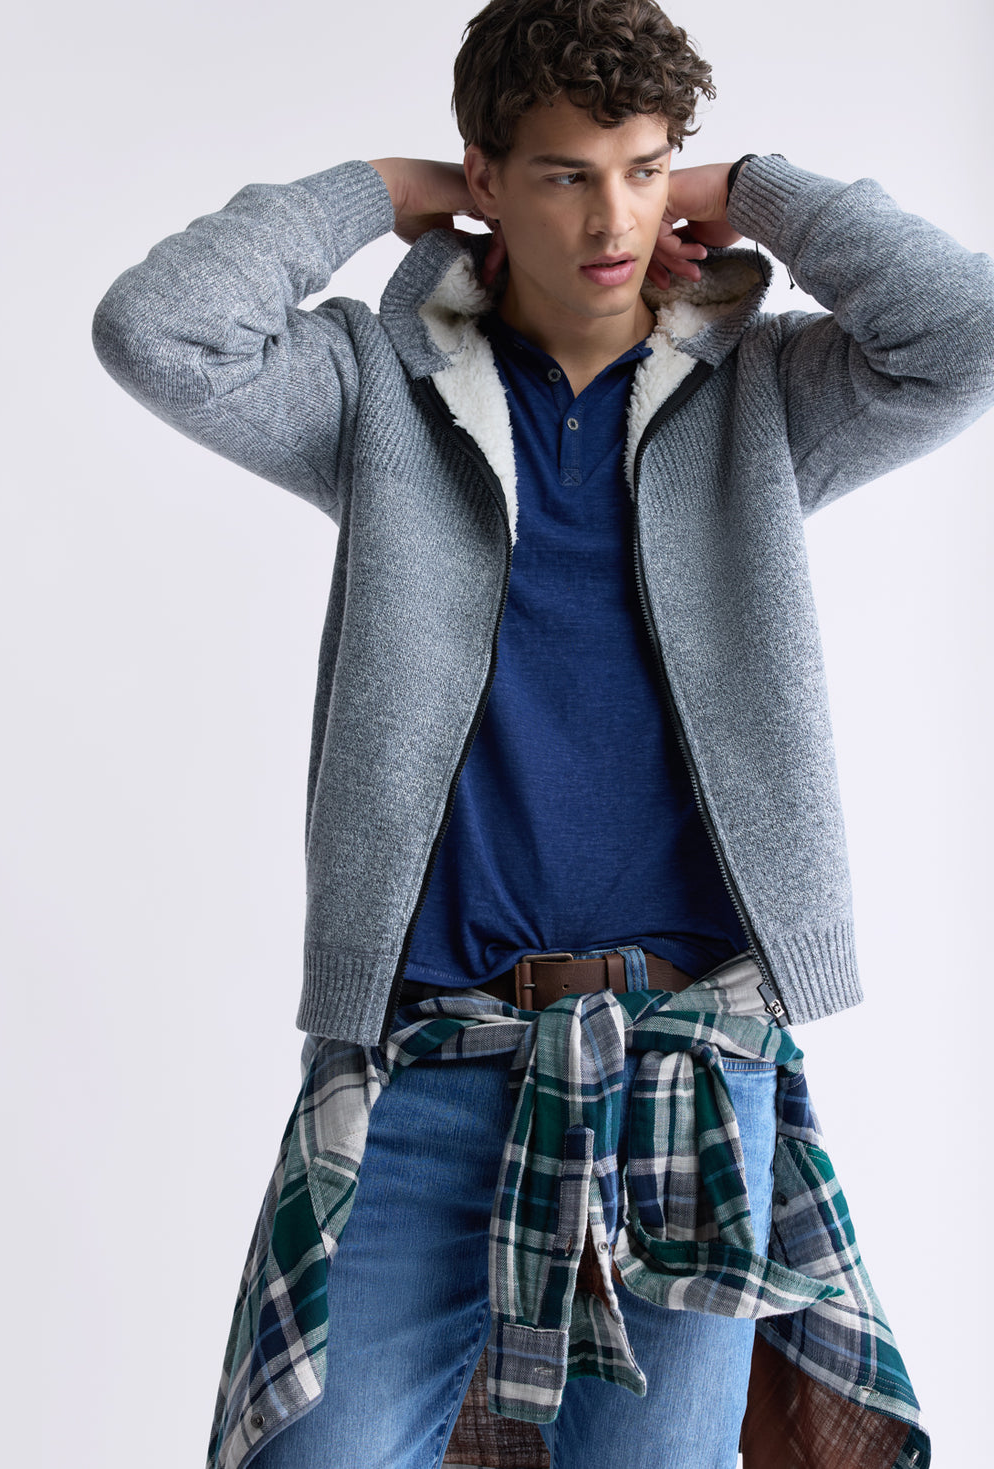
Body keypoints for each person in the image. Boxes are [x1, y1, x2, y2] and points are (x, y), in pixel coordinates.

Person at [92, 2, 994, 1465]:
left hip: (687, 1069)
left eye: (645, 169)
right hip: (427, 1064)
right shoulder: (375, 391)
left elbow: (967, 334)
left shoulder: (767, 396)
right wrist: (376, 191)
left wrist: (760, 188)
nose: (614, 218)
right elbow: (159, 331)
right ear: (488, 178)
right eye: (567, 174)